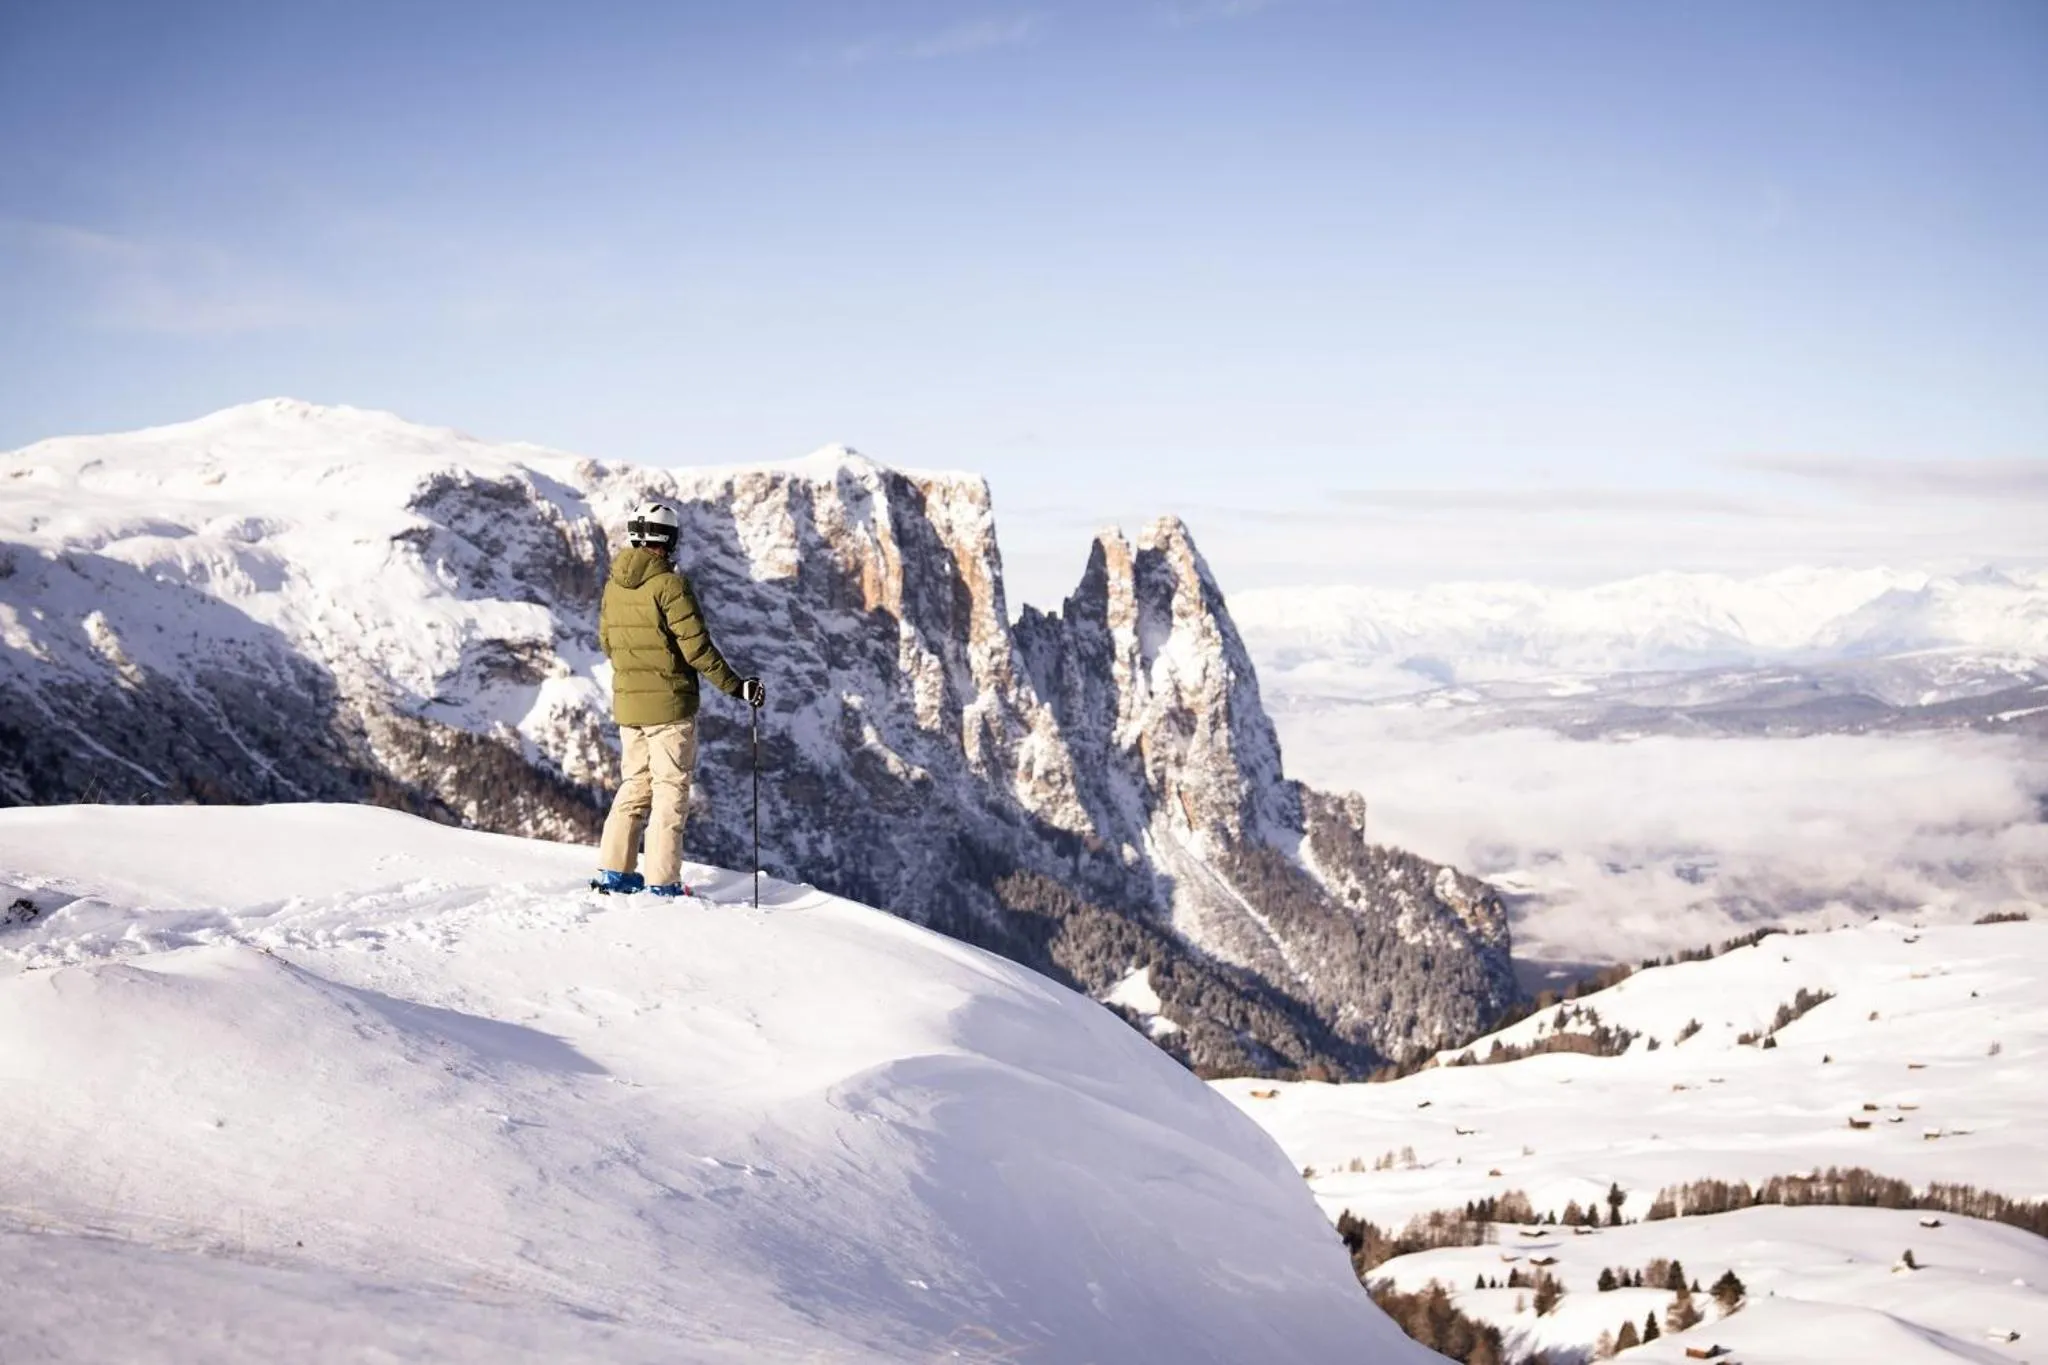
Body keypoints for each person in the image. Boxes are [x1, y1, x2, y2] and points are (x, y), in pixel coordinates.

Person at [592, 501, 764, 896]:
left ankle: (615, 873)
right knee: (670, 791)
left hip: (628, 707)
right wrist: (737, 686)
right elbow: (698, 650)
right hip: (669, 708)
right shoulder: (670, 585)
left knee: (635, 786)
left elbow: (607, 644)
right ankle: (662, 882)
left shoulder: (613, 584)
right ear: (668, 538)